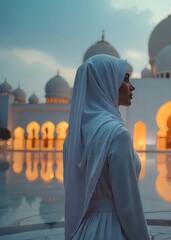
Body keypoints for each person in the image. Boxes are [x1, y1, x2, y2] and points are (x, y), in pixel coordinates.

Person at [63, 54, 150, 239]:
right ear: (107, 82)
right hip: (113, 230)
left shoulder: (73, 137)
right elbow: (128, 206)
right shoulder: (117, 135)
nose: (132, 86)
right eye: (125, 79)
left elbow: (72, 197)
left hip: (83, 231)